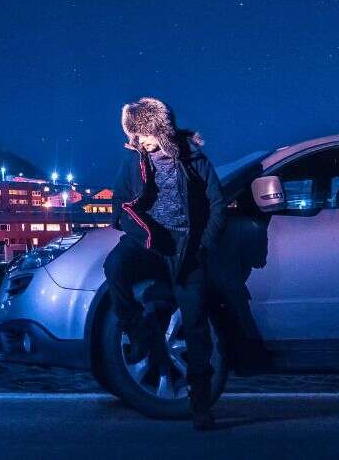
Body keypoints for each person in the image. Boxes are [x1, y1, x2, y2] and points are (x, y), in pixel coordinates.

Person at [106, 96, 227, 429]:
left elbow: (217, 203)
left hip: (187, 248)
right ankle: (140, 334)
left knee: (196, 323)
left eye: (144, 133)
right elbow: (118, 206)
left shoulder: (193, 158)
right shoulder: (133, 161)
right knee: (114, 267)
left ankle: (200, 403)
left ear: (161, 130)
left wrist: (204, 245)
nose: (140, 141)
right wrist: (134, 227)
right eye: (135, 135)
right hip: (148, 243)